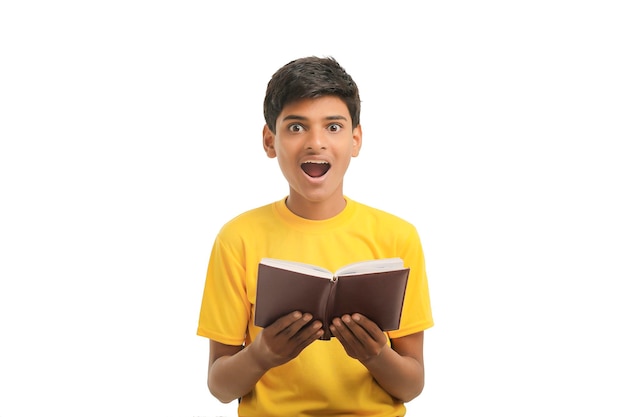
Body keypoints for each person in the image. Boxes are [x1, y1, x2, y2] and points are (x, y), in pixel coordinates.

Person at [197, 56, 434, 416]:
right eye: (296, 127)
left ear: (356, 139)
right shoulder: (238, 238)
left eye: (334, 127)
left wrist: (375, 355)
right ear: (269, 140)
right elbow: (220, 386)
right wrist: (263, 355)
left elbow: (412, 385)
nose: (315, 142)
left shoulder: (398, 237)